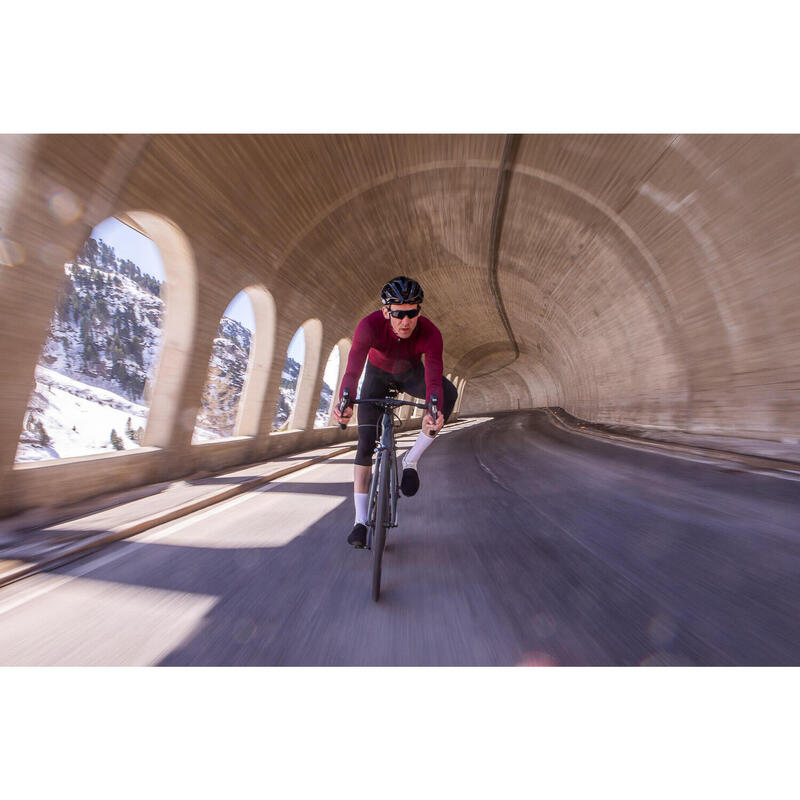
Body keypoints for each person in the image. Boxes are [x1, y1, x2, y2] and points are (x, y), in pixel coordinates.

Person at [332, 276, 459, 548]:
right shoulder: (368, 326)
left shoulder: (430, 333)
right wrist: (345, 401)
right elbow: (353, 369)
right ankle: (360, 521)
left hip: (411, 375)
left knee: (448, 394)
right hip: (376, 377)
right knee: (365, 445)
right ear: (385, 311)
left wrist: (433, 407)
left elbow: (434, 378)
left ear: (419, 311)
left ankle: (411, 460)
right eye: (399, 314)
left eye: (412, 313)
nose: (406, 321)